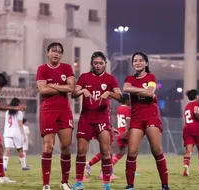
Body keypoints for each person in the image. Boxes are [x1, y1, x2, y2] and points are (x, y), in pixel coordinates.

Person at [71, 51, 122, 190]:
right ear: (91, 64)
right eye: (96, 63)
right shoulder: (84, 77)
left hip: (102, 119)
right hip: (86, 119)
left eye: (101, 63)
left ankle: (106, 184)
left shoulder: (110, 79)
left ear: (105, 64)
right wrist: (82, 91)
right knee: (81, 151)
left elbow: (120, 96)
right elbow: (73, 94)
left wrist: (109, 93)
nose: (98, 66)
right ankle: (79, 182)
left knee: (105, 151)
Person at [123, 52, 169, 190]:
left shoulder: (151, 76)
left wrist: (136, 91)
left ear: (146, 63)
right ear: (132, 64)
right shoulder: (129, 78)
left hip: (151, 116)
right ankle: (130, 186)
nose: (137, 63)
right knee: (131, 152)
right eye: (135, 61)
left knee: (156, 150)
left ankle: (165, 185)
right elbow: (125, 88)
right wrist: (143, 90)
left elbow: (150, 92)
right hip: (136, 118)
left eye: (140, 60)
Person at [36, 42, 75, 190]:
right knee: (48, 146)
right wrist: (62, 87)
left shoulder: (67, 68)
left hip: (64, 110)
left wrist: (52, 85)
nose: (56, 53)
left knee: (66, 146)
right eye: (53, 51)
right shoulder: (42, 69)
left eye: (59, 51)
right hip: (48, 110)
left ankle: (64, 182)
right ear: (48, 53)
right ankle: (46, 184)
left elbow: (71, 88)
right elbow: (42, 90)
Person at [85, 93, 132, 179]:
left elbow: (107, 117)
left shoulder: (116, 107)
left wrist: (112, 127)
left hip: (110, 128)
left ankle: (102, 169)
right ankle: (105, 172)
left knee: (108, 150)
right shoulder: (104, 103)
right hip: (108, 128)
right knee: (108, 150)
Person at [2, 98, 30, 171]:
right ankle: (24, 166)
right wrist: (23, 135)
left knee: (7, 149)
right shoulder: (19, 113)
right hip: (16, 133)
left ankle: (4, 166)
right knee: (20, 149)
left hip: (7, 132)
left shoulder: (7, 112)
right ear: (17, 104)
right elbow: (20, 124)